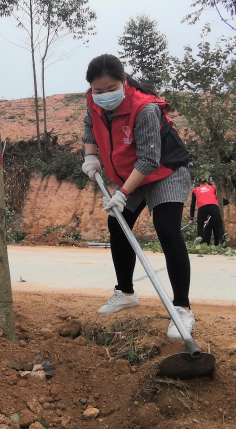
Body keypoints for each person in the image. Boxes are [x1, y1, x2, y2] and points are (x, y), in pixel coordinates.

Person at [81, 54, 194, 340]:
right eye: (98, 91)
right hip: (131, 174)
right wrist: (90, 157)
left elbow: (149, 160)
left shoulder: (144, 109)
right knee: (118, 226)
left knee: (167, 231)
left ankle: (182, 307)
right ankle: (126, 292)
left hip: (164, 171)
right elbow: (88, 127)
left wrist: (122, 193)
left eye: (111, 89)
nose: (104, 95)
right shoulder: (92, 101)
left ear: (123, 81)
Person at [189, 179, 227, 246]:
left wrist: (191, 219)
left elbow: (192, 205)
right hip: (214, 207)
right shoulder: (212, 188)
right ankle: (223, 246)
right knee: (219, 227)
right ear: (206, 182)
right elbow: (219, 199)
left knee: (200, 227)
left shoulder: (195, 191)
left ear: (198, 183)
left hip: (202, 208)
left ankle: (200, 245)